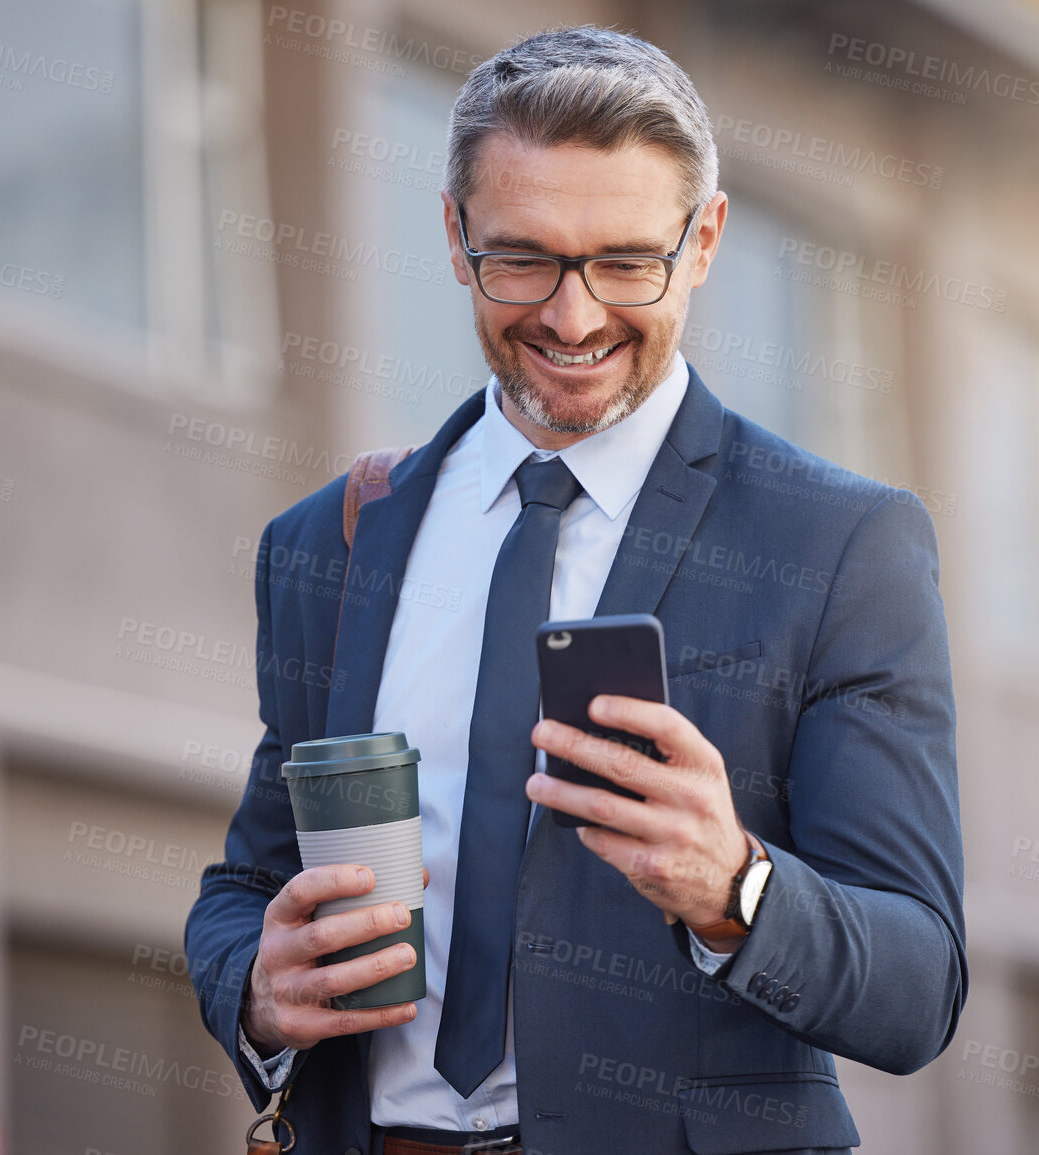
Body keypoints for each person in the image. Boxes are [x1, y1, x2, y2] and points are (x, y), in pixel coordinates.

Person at [185, 25, 965, 1155]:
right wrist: (256, 987)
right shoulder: (334, 542)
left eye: (626, 262)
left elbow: (918, 986)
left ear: (705, 243)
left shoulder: (841, 545)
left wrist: (736, 887)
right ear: (455, 238)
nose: (573, 315)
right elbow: (249, 880)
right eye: (524, 259)